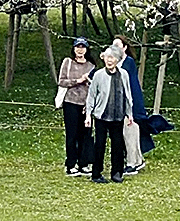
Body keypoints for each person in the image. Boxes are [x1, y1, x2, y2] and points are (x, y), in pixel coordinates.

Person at [83, 45, 134, 184]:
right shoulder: (99, 75)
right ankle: (96, 173)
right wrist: (88, 115)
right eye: (107, 57)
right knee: (99, 144)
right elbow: (91, 96)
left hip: (118, 116)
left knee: (118, 145)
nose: (109, 60)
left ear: (117, 60)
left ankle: (117, 172)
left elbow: (127, 95)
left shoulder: (124, 74)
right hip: (102, 116)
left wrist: (130, 113)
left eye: (112, 57)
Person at [110, 36, 154, 173]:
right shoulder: (115, 63)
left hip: (130, 105)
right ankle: (137, 160)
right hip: (119, 105)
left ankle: (132, 163)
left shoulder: (127, 62)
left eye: (118, 46)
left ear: (124, 48)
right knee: (127, 133)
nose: (115, 49)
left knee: (130, 132)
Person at [55, 38, 95, 176]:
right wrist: (78, 81)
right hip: (70, 102)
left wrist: (89, 105)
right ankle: (71, 164)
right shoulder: (68, 62)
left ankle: (84, 163)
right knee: (71, 134)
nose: (80, 50)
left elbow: (93, 87)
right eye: (77, 47)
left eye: (83, 47)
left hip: (85, 104)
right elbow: (61, 81)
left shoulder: (91, 66)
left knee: (85, 134)